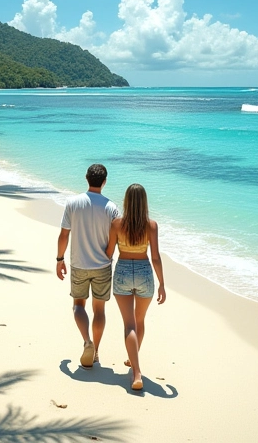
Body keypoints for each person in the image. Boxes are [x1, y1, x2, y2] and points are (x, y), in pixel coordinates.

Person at [56, 163, 120, 368]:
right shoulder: (111, 207)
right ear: (104, 182)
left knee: (78, 305)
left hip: (79, 264)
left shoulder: (73, 203)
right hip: (102, 266)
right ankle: (97, 352)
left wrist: (59, 259)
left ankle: (86, 341)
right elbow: (115, 238)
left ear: (86, 178)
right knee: (99, 310)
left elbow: (64, 234)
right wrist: (108, 256)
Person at [106, 182, 166, 391]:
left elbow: (108, 254)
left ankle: (136, 370)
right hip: (144, 272)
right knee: (139, 321)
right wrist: (162, 284)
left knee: (128, 325)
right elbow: (156, 258)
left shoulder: (116, 224)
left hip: (122, 270)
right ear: (144, 202)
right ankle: (135, 365)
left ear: (126, 202)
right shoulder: (151, 226)